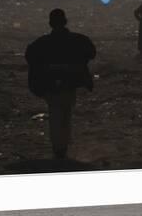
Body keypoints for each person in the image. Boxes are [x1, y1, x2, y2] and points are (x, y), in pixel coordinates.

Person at [25, 9, 96, 159]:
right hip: (70, 83)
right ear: (65, 22)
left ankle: (59, 147)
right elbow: (91, 53)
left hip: (51, 85)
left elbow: (30, 57)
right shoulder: (79, 40)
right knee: (66, 114)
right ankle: (62, 147)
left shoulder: (41, 43)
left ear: (50, 23)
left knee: (56, 114)